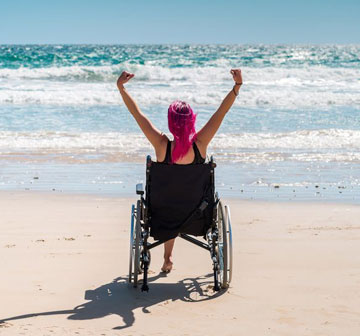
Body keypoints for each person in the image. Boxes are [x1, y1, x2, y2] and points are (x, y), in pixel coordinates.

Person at [117, 69, 242, 273]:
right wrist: (237, 87)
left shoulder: (161, 145)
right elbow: (221, 112)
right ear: (191, 120)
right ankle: (168, 256)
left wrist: (121, 88)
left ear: (170, 123)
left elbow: (136, 114)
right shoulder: (200, 144)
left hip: (162, 215)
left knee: (170, 201)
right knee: (180, 202)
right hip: (198, 216)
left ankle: (167, 258)